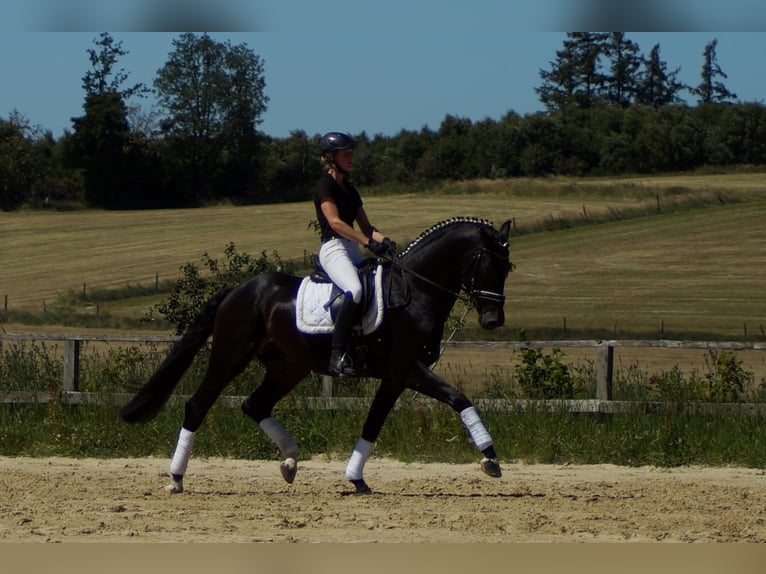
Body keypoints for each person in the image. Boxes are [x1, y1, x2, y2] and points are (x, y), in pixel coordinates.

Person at [313, 131, 396, 377]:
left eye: (351, 153)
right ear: (330, 157)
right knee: (355, 290)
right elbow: (336, 223)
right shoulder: (324, 185)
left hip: (352, 248)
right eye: (345, 153)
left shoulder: (350, 188)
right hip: (333, 248)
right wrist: (368, 243)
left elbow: (368, 227)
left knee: (381, 283)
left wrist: (385, 241)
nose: (351, 157)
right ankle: (337, 355)